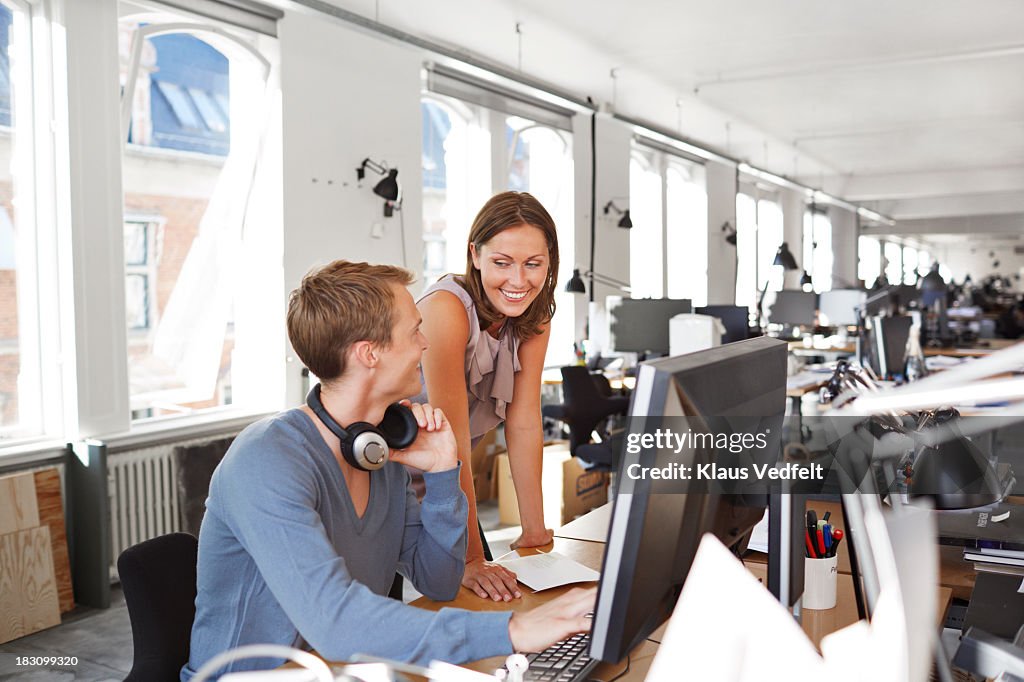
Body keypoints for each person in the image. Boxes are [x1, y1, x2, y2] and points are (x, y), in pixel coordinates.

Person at [181, 260, 593, 680]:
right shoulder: (267, 459)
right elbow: (337, 623)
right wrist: (515, 629)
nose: (425, 343)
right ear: (369, 353)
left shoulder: (379, 451)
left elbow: (438, 582)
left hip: (348, 672)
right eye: (414, 330)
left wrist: (441, 475)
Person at [417, 191, 558, 602]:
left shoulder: (535, 316)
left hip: (446, 487)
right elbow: (452, 439)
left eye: (533, 264)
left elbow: (525, 421)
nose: (518, 281)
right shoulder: (446, 308)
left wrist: (535, 531)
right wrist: (472, 557)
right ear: (474, 255)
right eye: (502, 263)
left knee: (481, 601)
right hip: (381, 482)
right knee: (378, 618)